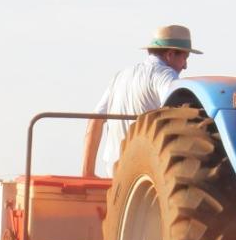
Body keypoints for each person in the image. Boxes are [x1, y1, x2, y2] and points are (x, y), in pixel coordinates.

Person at [82, 25, 201, 177]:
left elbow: (95, 119)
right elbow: (179, 110)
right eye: (184, 58)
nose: (185, 65)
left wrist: (87, 174)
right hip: (144, 173)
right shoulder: (165, 75)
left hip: (115, 174)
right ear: (170, 54)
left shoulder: (121, 76)